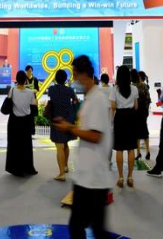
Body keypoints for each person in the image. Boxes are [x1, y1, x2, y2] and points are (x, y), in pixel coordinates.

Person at [54, 55, 113, 239]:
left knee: (85, 227)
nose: (73, 78)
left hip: (94, 177)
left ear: (83, 74)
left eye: (75, 73)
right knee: (85, 227)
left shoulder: (97, 99)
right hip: (87, 175)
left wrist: (70, 128)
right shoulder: (90, 97)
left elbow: (95, 136)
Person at [5, 70, 38, 177]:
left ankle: (16, 169)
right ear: (25, 80)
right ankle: (28, 168)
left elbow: (6, 106)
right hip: (26, 122)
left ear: (16, 79)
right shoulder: (30, 92)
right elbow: (34, 109)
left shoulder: (12, 90)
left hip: (14, 122)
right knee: (26, 145)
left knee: (15, 146)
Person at [110, 66, 138, 188]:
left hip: (120, 118)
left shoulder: (115, 89)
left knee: (119, 148)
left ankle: (121, 177)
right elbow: (136, 106)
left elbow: (113, 107)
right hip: (131, 117)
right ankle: (130, 177)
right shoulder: (134, 89)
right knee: (131, 148)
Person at [48, 69, 78, 181]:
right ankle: (65, 166)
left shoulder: (52, 89)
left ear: (56, 78)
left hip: (57, 120)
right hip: (68, 120)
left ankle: (61, 173)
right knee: (65, 144)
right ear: (65, 79)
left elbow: (51, 98)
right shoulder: (69, 90)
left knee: (59, 146)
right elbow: (75, 100)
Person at [132, 69, 151, 161]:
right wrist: (146, 110)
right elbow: (148, 99)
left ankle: (138, 153)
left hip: (135, 111)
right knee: (144, 131)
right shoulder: (144, 86)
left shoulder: (133, 86)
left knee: (136, 132)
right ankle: (148, 151)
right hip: (143, 111)